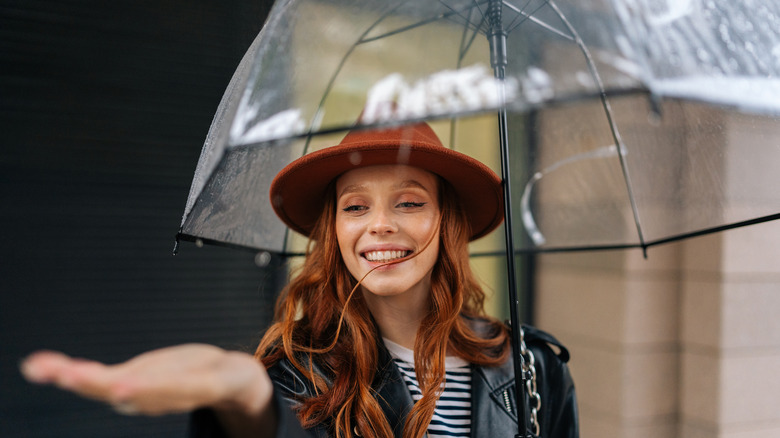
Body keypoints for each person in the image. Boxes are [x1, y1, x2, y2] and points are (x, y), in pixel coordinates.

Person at [21, 123, 578, 438]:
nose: (380, 224)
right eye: (355, 207)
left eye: (409, 201)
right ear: (333, 231)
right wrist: (244, 397)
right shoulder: (295, 378)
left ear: (447, 223)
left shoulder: (534, 367)